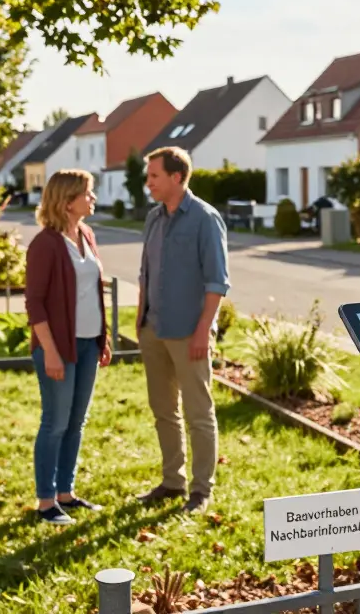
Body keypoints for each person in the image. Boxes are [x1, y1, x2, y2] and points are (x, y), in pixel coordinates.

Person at [135, 146, 230, 513]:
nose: (148, 184)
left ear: (177, 177)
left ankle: (201, 490)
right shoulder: (153, 219)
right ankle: (172, 482)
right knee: (163, 410)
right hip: (153, 328)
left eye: (154, 176)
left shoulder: (205, 219)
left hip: (189, 333)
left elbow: (217, 282)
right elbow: (146, 271)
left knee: (198, 413)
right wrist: (141, 317)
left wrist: (203, 332)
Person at [25, 169, 112, 525]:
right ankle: (46, 502)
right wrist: (50, 351)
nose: (92, 199)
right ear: (66, 201)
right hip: (58, 347)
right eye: (88, 193)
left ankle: (66, 493)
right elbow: (35, 304)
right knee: (55, 422)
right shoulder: (44, 244)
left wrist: (102, 339)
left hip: (89, 344)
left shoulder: (87, 235)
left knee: (76, 422)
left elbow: (92, 291)